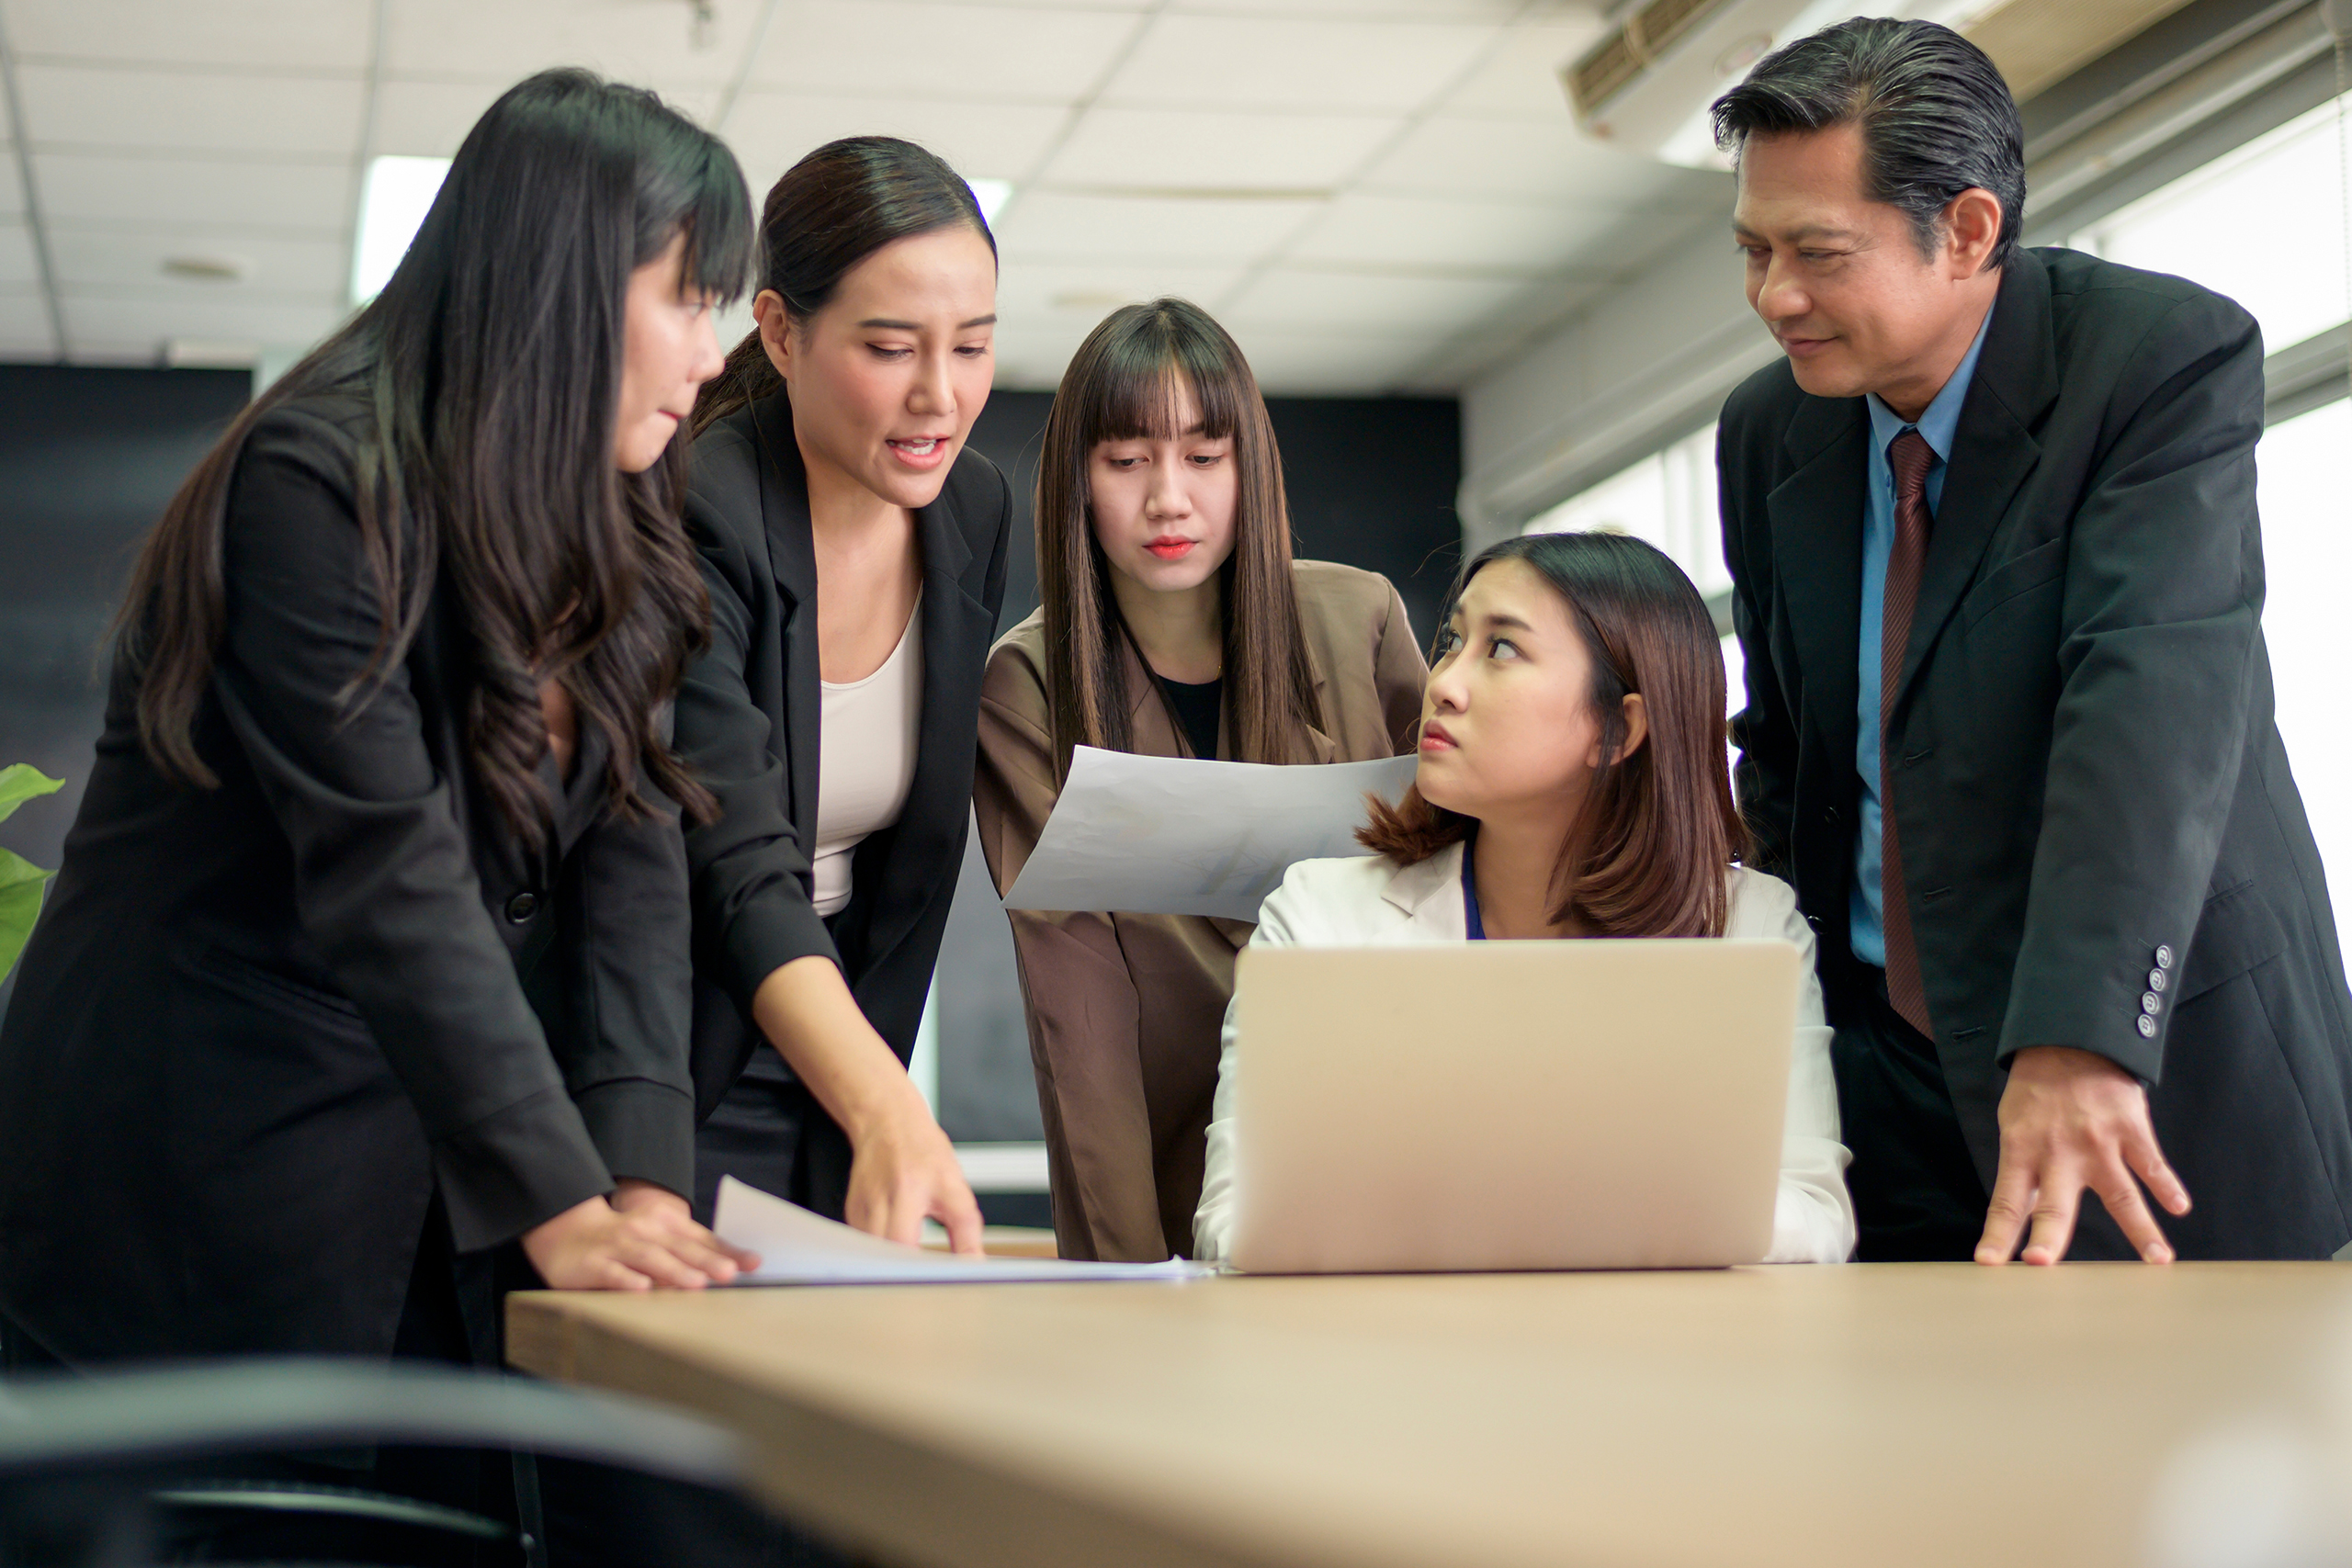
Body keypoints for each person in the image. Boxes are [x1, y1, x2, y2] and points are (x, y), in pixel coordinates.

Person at [0, 69, 755, 1554]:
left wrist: (640, 1186)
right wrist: (561, 1198)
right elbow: (389, 873)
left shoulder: (618, 525)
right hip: (198, 1185)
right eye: (686, 300)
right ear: (563, 286)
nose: (712, 355)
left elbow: (637, 872)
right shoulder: (316, 481)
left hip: (416, 1203)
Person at [1713, 18, 2352, 1264]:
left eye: (1816, 252)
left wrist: (2078, 1035)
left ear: (1966, 230)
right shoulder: (1770, 430)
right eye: (1752, 250)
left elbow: (2152, 698)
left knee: (2207, 1447)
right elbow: (1786, 753)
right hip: (1886, 1084)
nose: (1773, 295)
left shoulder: (2150, 359)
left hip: (2141, 1066)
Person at [1193, 531, 1855, 1265]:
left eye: (1502, 649)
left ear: (1618, 729)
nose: (1443, 681)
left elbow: (1814, 1216)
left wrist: (1481, 1210)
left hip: (1653, 1358)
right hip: (1394, 1358)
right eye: (1453, 639)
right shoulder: (1319, 917)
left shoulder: (1749, 929)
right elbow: (1233, 1218)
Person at [974, 299, 1430, 1263]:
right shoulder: (1029, 684)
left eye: (1203, 458)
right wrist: (1128, 1273)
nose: (1168, 498)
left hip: (1395, 1133)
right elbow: (1077, 1007)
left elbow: (1449, 882)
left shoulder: (1360, 624)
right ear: (1077, 481)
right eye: (1128, 460)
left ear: (1247, 468)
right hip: (1167, 1157)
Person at [675, 137, 1012, 1251]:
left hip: (841, 1049)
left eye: (972, 346)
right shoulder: (693, 511)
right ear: (778, 331)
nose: (940, 395)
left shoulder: (972, 509)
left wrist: (869, 1093)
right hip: (661, 1049)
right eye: (889, 347)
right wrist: (886, 1102)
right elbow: (729, 849)